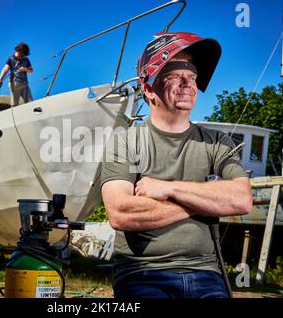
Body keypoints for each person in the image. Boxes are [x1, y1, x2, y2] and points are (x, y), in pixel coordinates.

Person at [101, 32, 253, 298]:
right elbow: (121, 213)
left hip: (207, 274)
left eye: (193, 76)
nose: (188, 83)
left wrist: (166, 189)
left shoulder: (218, 142)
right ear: (148, 88)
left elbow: (241, 199)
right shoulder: (124, 142)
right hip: (142, 274)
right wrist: (205, 200)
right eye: (174, 74)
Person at [0, 42, 34, 106]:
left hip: (25, 83)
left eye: (23, 55)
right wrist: (0, 79)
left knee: (30, 102)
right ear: (18, 50)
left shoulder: (26, 59)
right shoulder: (10, 59)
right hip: (14, 83)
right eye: (21, 54)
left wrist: (25, 69)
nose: (22, 56)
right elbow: (5, 69)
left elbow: (31, 71)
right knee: (15, 104)